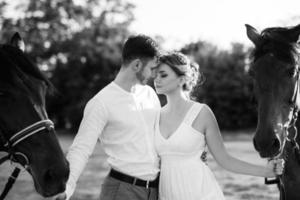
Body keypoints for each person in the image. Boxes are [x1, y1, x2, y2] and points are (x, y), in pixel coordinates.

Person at [153, 52, 284, 200]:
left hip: (201, 193)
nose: (156, 79)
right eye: (156, 74)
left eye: (163, 75)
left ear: (181, 79)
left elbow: (224, 160)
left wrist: (265, 172)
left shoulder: (202, 113)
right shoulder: (155, 115)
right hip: (166, 194)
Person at [55, 35, 162, 200]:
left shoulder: (150, 94)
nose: (155, 74)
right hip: (122, 191)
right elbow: (81, 148)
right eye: (152, 68)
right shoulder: (101, 103)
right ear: (137, 65)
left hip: (155, 191)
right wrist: (67, 186)